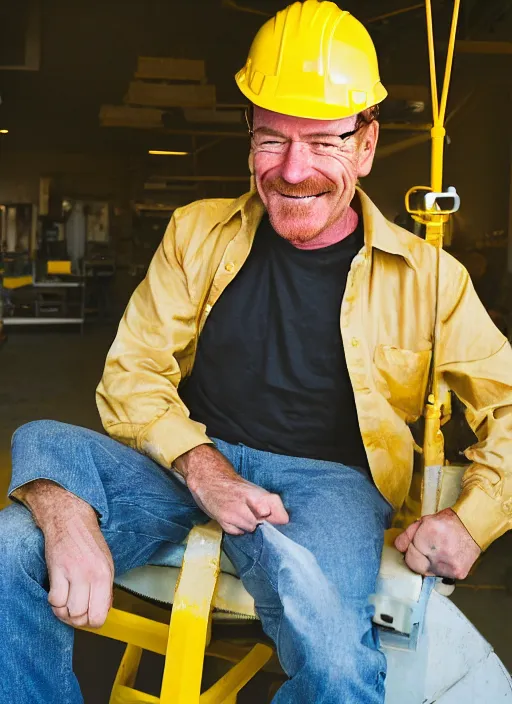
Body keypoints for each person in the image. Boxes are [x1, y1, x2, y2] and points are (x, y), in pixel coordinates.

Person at [1, 2, 511, 702]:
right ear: (248, 138)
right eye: (272, 140)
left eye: (323, 142)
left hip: (327, 488)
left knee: (337, 663)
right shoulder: (196, 233)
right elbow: (132, 373)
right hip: (187, 460)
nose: (294, 171)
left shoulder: (432, 280)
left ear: (365, 144)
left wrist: (472, 520)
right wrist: (202, 468)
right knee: (10, 546)